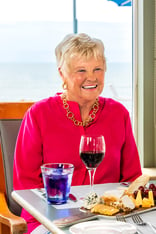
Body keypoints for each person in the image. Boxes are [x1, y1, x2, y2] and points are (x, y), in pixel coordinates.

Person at [13, 33, 142, 233]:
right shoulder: (39, 115)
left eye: (97, 69)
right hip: (50, 220)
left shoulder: (118, 114)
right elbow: (26, 187)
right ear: (62, 74)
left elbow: (133, 178)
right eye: (81, 70)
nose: (91, 77)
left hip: (109, 221)